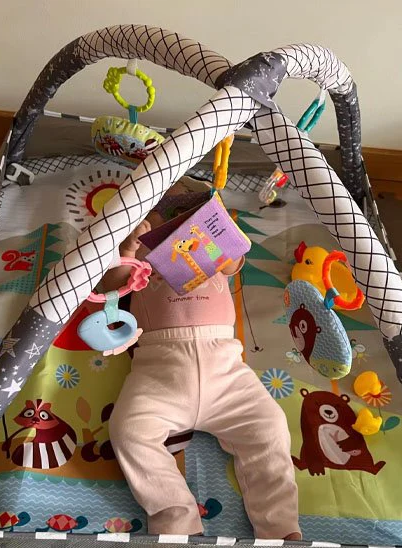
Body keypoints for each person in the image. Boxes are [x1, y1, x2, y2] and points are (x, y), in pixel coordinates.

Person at [104, 178, 300, 539]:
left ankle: (279, 525)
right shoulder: (140, 250)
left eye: (185, 208)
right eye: (162, 209)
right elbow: (112, 288)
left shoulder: (210, 248)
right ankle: (175, 516)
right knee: (128, 431)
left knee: (270, 427)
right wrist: (128, 249)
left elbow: (233, 263)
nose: (173, 218)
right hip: (159, 365)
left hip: (225, 366)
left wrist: (220, 236)